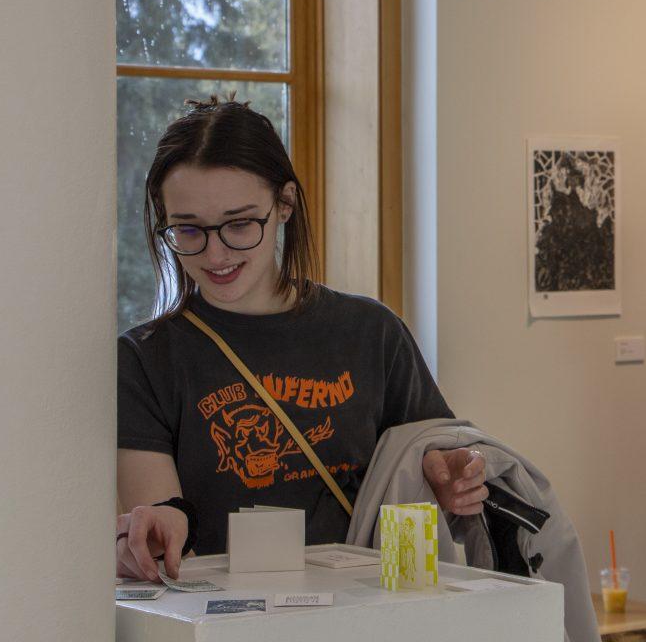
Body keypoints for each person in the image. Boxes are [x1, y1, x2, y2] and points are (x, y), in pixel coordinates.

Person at [116, 95, 488, 583]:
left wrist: (453, 477)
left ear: (285, 204)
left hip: (366, 617)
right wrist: (158, 527)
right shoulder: (144, 359)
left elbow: (434, 460)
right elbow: (163, 513)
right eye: (189, 230)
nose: (216, 253)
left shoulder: (371, 332)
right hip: (228, 623)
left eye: (240, 224)